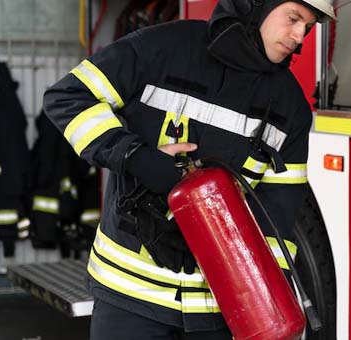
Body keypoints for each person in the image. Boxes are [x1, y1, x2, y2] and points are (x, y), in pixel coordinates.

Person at [42, 0, 335, 338]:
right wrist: (136, 157)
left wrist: (269, 306)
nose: (300, 36)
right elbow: (68, 96)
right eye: (294, 18)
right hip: (131, 297)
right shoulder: (163, 47)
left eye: (308, 27)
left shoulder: (291, 109)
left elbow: (278, 220)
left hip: (216, 313)